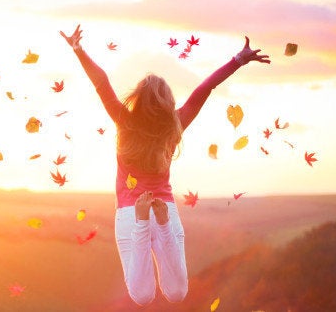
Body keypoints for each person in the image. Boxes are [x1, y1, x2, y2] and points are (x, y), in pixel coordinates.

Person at [60, 24, 270, 306]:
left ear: (138, 100)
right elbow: (205, 88)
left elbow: (101, 83)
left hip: (129, 213)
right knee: (177, 293)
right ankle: (156, 220)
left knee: (142, 296)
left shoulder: (124, 122)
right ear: (167, 101)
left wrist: (78, 50)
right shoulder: (176, 125)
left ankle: (145, 220)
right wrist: (238, 60)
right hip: (165, 209)